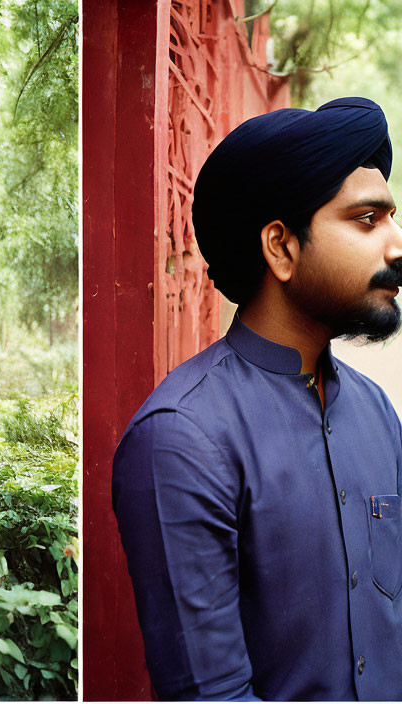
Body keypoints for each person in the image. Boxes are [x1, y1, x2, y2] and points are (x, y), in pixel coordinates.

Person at [112, 97, 402, 700]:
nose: (396, 245)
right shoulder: (182, 436)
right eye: (368, 220)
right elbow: (209, 693)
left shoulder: (376, 411)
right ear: (282, 248)